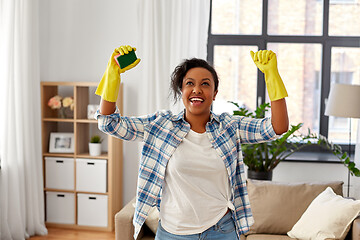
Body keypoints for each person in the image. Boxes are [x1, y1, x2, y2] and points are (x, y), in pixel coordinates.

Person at [95, 45, 289, 240]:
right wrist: (113, 74)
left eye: (205, 84)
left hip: (222, 231)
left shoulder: (229, 127)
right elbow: (109, 123)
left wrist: (271, 75)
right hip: (173, 233)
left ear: (214, 93)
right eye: (190, 83)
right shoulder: (161, 126)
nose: (197, 89)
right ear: (182, 90)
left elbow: (277, 127)